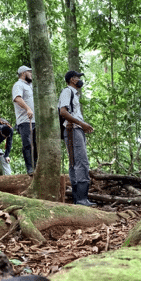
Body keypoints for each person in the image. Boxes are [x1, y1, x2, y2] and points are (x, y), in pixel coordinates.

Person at [58, 70, 96, 207]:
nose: (80, 80)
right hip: (73, 129)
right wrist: (82, 124)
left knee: (75, 163)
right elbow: (63, 111)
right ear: (72, 80)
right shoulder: (67, 92)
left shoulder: (74, 94)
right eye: (78, 77)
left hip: (76, 129)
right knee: (81, 162)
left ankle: (78, 199)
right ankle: (81, 199)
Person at [12, 65, 37, 175]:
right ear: (23, 73)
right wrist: (28, 108)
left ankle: (36, 167)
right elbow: (17, 98)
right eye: (29, 72)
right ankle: (30, 168)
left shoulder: (30, 86)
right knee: (28, 144)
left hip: (35, 120)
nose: (31, 74)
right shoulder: (18, 85)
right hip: (25, 120)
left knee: (36, 144)